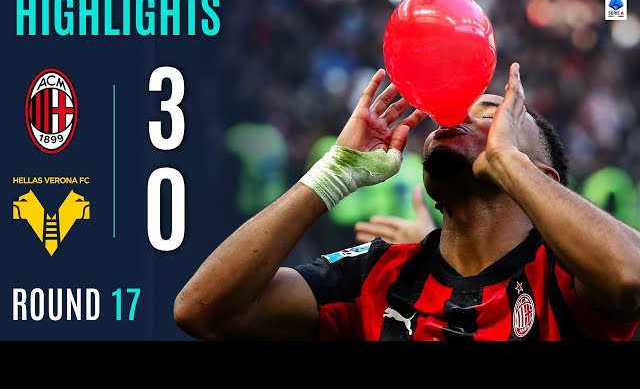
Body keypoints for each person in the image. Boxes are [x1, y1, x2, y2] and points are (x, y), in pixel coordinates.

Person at [174, 63, 640, 341]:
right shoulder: (376, 277)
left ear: (540, 175)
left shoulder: (564, 278)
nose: (457, 115)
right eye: (458, 110)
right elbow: (202, 312)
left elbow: (631, 278)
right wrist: (332, 175)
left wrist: (507, 163)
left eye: (493, 114)